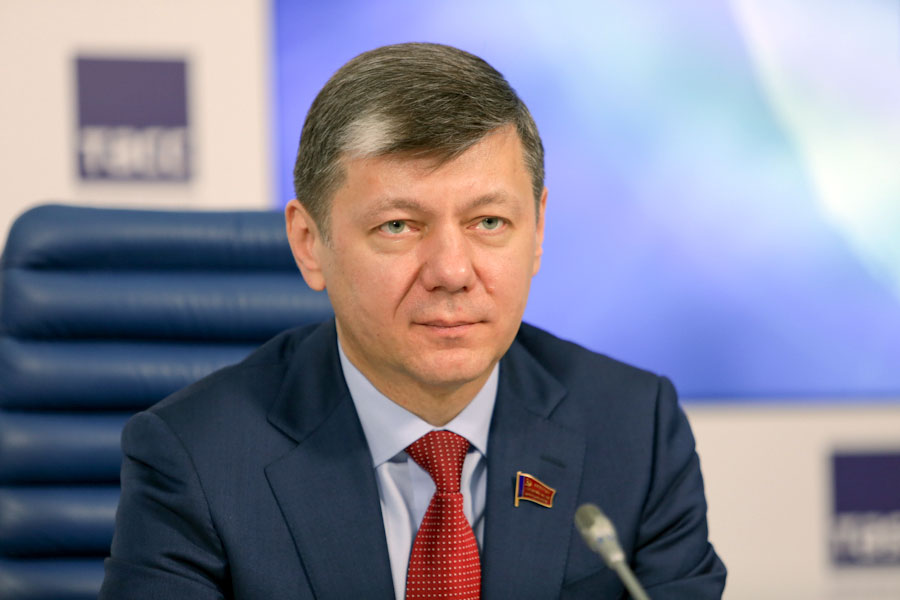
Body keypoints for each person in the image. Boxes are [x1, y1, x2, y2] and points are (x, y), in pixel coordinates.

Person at [100, 42, 726, 599]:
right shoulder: (196, 459)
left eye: (489, 222)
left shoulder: (635, 431)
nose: (452, 271)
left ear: (537, 231)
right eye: (398, 225)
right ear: (310, 243)